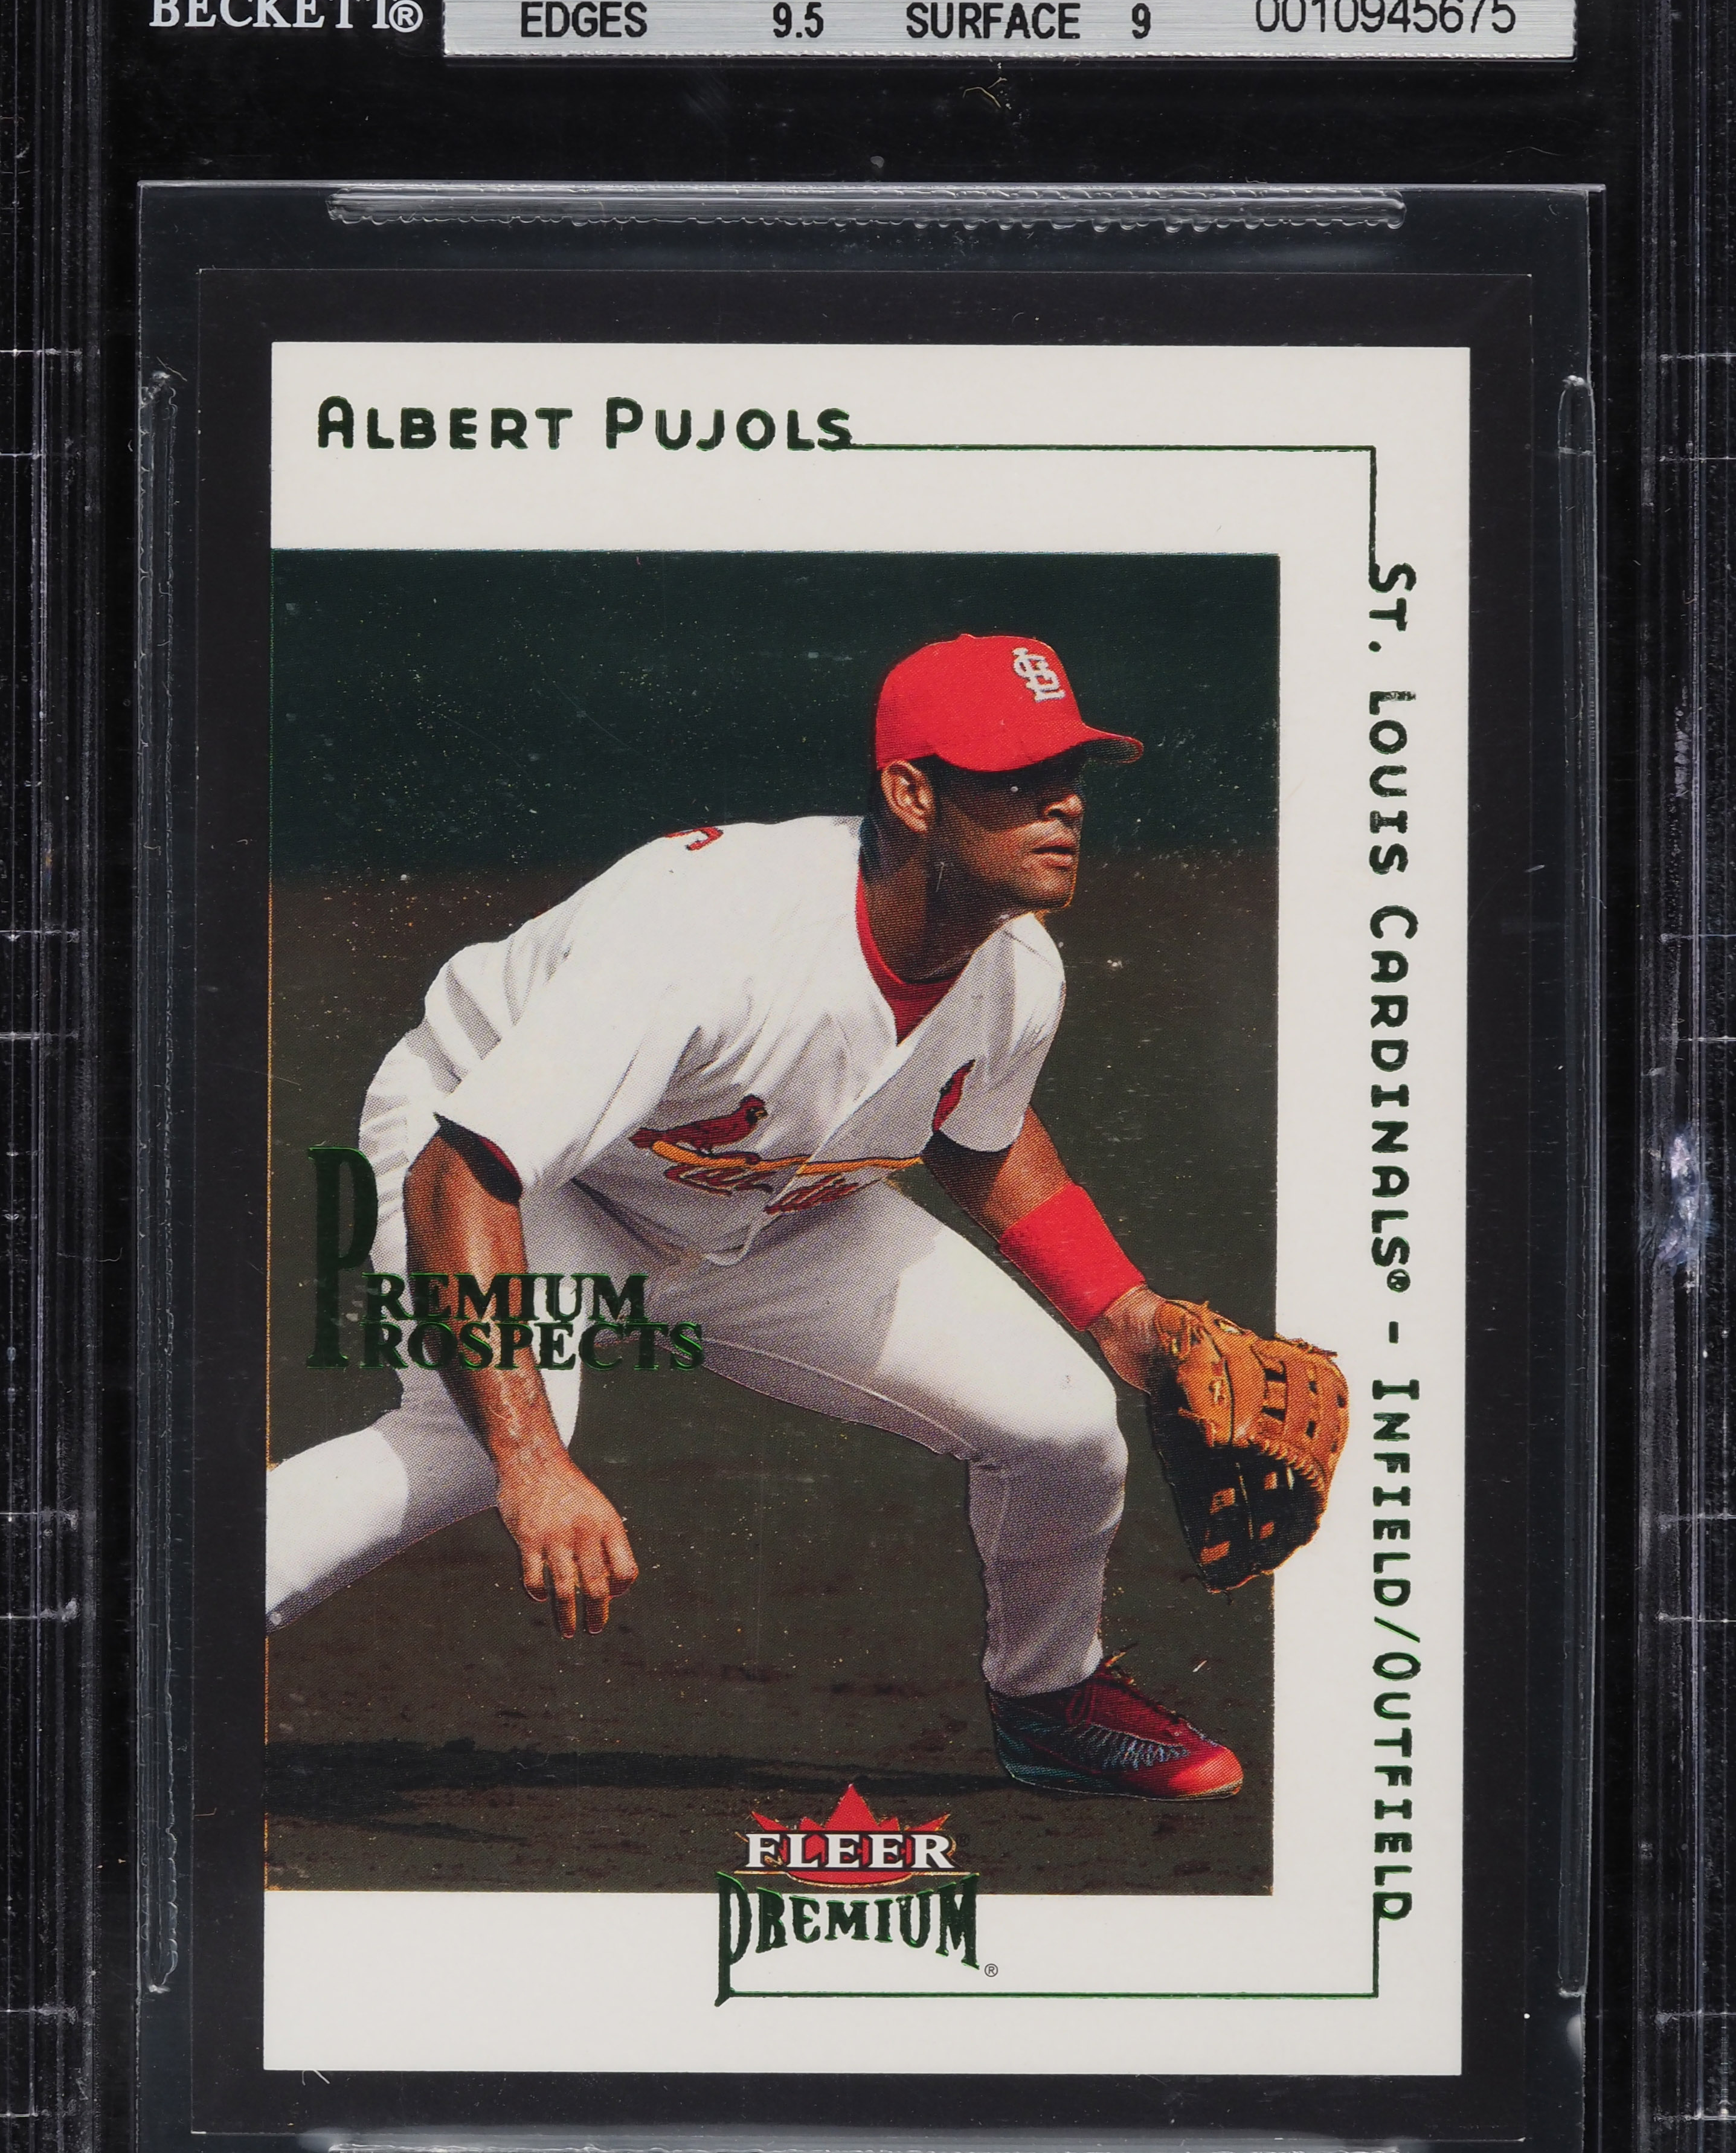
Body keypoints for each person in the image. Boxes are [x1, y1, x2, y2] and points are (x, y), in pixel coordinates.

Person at [265, 633, 1244, 1801]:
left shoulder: (1015, 965)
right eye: (1017, 777)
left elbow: (976, 1126)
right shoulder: (711, 936)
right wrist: (531, 1459)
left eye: (1069, 775)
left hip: (761, 1201)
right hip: (510, 1172)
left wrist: (1117, 1306)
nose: (1064, 804)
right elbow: (464, 1173)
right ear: (912, 794)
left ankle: (1051, 1700)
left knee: (1064, 1426)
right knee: (469, 1445)